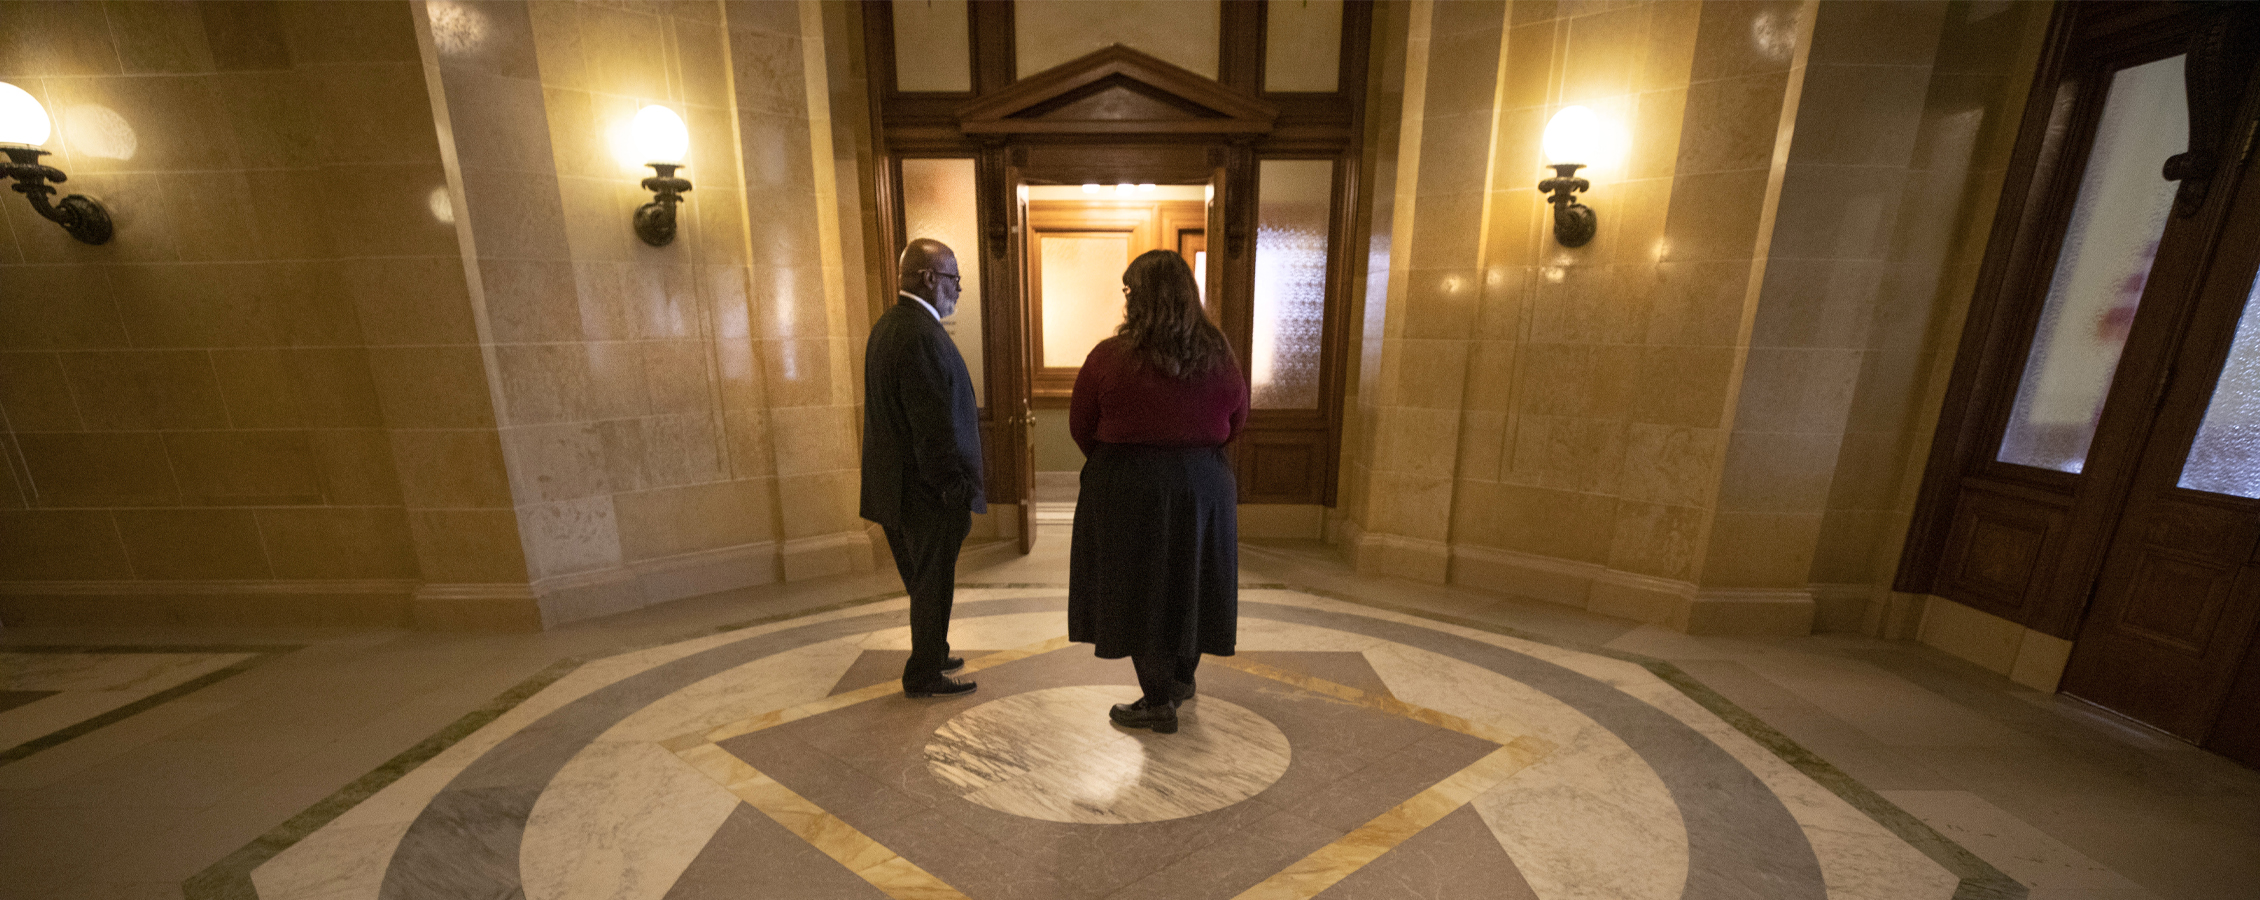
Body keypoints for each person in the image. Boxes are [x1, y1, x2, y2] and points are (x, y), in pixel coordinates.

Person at [1068, 249, 1249, 734]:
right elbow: (1236, 421)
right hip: (1203, 487)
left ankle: (1156, 699)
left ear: (1143, 299)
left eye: (1130, 292)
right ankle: (1180, 680)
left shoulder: (1110, 356)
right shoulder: (1219, 354)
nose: (1125, 302)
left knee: (1137, 587)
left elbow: (1081, 425)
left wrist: (1124, 461)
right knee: (1192, 580)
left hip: (1128, 486)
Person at [861, 238, 984, 698]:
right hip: (925, 494)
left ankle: (933, 651)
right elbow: (931, 426)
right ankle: (923, 674)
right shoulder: (920, 335)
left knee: (922, 581)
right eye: (953, 279)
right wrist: (954, 488)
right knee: (933, 583)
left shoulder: (890, 326)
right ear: (929, 278)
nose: (958, 290)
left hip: (895, 489)